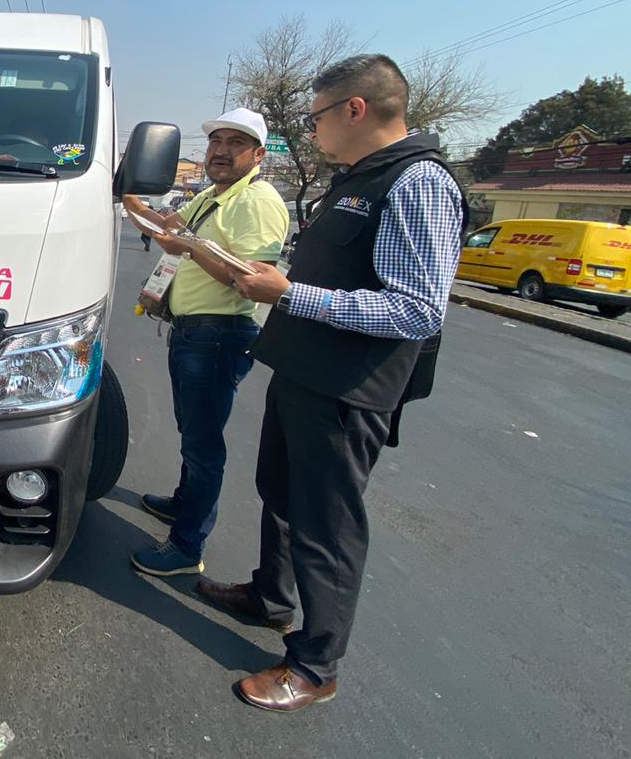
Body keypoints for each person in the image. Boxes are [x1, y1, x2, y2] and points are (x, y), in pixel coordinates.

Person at [198, 55, 465, 712]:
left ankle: (316, 666)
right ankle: (270, 596)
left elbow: (416, 309)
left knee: (328, 525)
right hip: (305, 371)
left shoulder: (416, 181)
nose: (310, 130)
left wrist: (291, 293)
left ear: (355, 109)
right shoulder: (357, 178)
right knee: (280, 493)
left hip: (350, 389)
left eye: (316, 117)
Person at [122, 107, 289, 577]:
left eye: (235, 143)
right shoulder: (211, 197)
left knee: (202, 441)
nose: (220, 151)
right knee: (190, 428)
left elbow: (249, 280)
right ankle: (182, 503)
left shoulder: (256, 202)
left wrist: (190, 246)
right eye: (216, 141)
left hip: (220, 333)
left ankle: (186, 545)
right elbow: (169, 224)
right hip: (194, 330)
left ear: (258, 155)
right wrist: (126, 195)